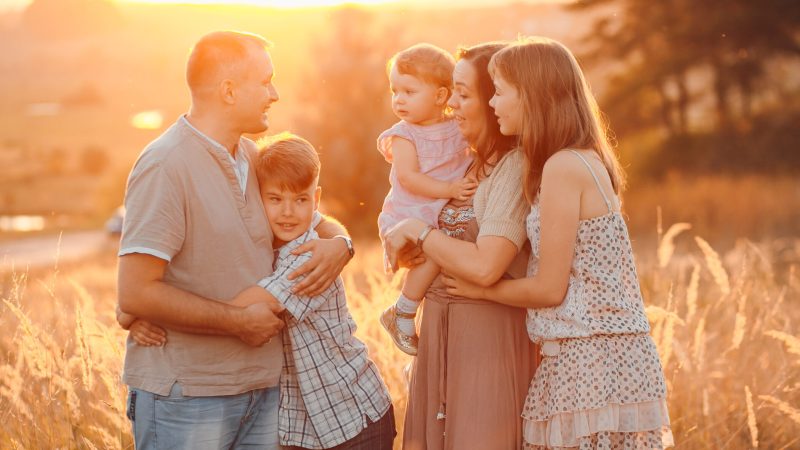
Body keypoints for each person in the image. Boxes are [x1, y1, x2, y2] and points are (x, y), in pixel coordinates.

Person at [116, 31, 354, 449]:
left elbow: (308, 217)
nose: (274, 93)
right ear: (228, 90)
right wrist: (237, 322)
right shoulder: (165, 164)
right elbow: (135, 292)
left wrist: (341, 245)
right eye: (265, 81)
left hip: (263, 394)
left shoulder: (253, 157)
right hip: (187, 397)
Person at [442, 36, 674, 449]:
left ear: (532, 96)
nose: (492, 105)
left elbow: (551, 288)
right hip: (594, 354)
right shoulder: (580, 159)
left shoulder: (563, 166)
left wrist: (482, 289)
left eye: (499, 92)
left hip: (592, 357)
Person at [129, 134, 396, 449]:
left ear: (316, 199)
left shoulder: (307, 255)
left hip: (353, 418)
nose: (288, 212)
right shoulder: (265, 247)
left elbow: (244, 306)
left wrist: (148, 306)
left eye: (300, 200)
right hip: (305, 428)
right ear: (258, 199)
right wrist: (143, 302)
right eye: (275, 199)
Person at [383, 41, 539, 450]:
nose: (451, 103)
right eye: (451, 92)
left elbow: (486, 265)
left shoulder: (514, 167)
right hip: (440, 339)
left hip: (485, 348)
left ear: (494, 102)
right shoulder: (466, 164)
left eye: (463, 94)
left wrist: (420, 232)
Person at [376, 43, 476, 356]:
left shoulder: (456, 128)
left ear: (441, 96)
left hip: (440, 212)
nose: (399, 99)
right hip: (408, 213)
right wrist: (450, 191)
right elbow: (408, 177)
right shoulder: (405, 134)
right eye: (395, 90)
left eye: (409, 91)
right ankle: (403, 310)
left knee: (445, 250)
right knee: (434, 250)